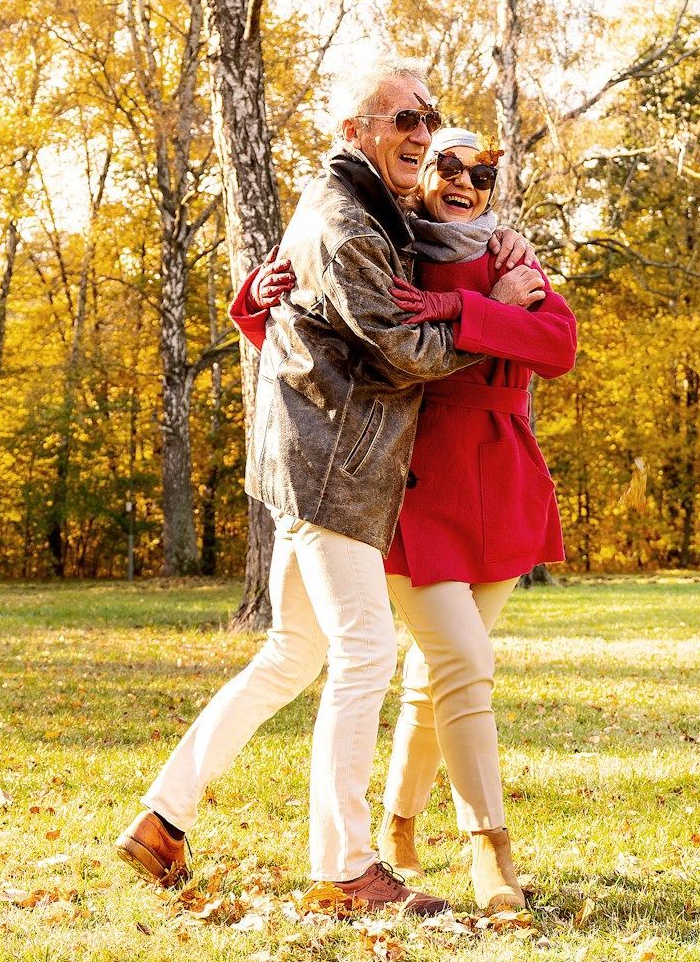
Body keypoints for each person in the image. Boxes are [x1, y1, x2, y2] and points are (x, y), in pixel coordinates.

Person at [114, 58, 534, 915]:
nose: (421, 132)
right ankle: (347, 869)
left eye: (429, 117)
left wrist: (498, 258)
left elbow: (298, 308)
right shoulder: (348, 223)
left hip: (308, 463)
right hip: (335, 468)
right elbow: (404, 350)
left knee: (291, 654)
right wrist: (496, 308)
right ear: (353, 132)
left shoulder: (369, 211)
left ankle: (162, 819)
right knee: (365, 656)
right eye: (401, 119)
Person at [230, 126, 576, 912]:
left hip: (501, 483)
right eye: (444, 166)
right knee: (462, 663)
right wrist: (251, 303)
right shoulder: (390, 252)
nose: (462, 182)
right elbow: (315, 344)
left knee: (437, 674)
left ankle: (397, 826)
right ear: (418, 177)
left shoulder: (510, 258)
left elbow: (557, 345)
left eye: (479, 173)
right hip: (410, 484)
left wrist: (466, 303)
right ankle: (490, 850)